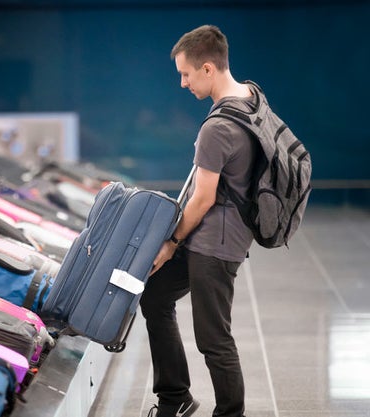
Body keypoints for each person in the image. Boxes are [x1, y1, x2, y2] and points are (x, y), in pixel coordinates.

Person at [141, 24, 258, 417]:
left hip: (214, 244)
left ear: (208, 69)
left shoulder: (218, 126)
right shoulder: (251, 98)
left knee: (213, 338)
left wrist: (170, 241)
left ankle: (230, 413)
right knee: (155, 296)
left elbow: (203, 197)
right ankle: (175, 397)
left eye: (186, 74)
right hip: (216, 237)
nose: (182, 83)